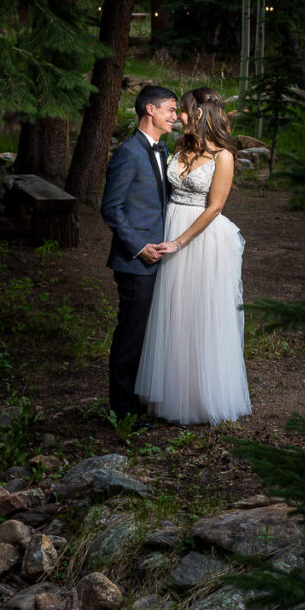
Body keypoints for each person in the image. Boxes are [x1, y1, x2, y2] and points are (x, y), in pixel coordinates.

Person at [135, 87, 250, 425]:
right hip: (170, 226)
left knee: (198, 313)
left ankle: (199, 398)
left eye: (182, 110)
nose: (177, 116)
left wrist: (179, 242)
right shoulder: (181, 146)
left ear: (197, 113)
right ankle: (169, 390)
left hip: (198, 238)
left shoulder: (223, 156)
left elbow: (214, 207)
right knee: (172, 312)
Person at [101, 85, 178, 424]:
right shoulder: (128, 153)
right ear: (150, 110)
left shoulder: (161, 150)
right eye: (170, 110)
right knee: (131, 334)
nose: (175, 117)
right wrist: (138, 247)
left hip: (159, 258)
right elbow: (111, 208)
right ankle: (122, 409)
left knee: (147, 333)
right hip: (136, 262)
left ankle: (137, 398)